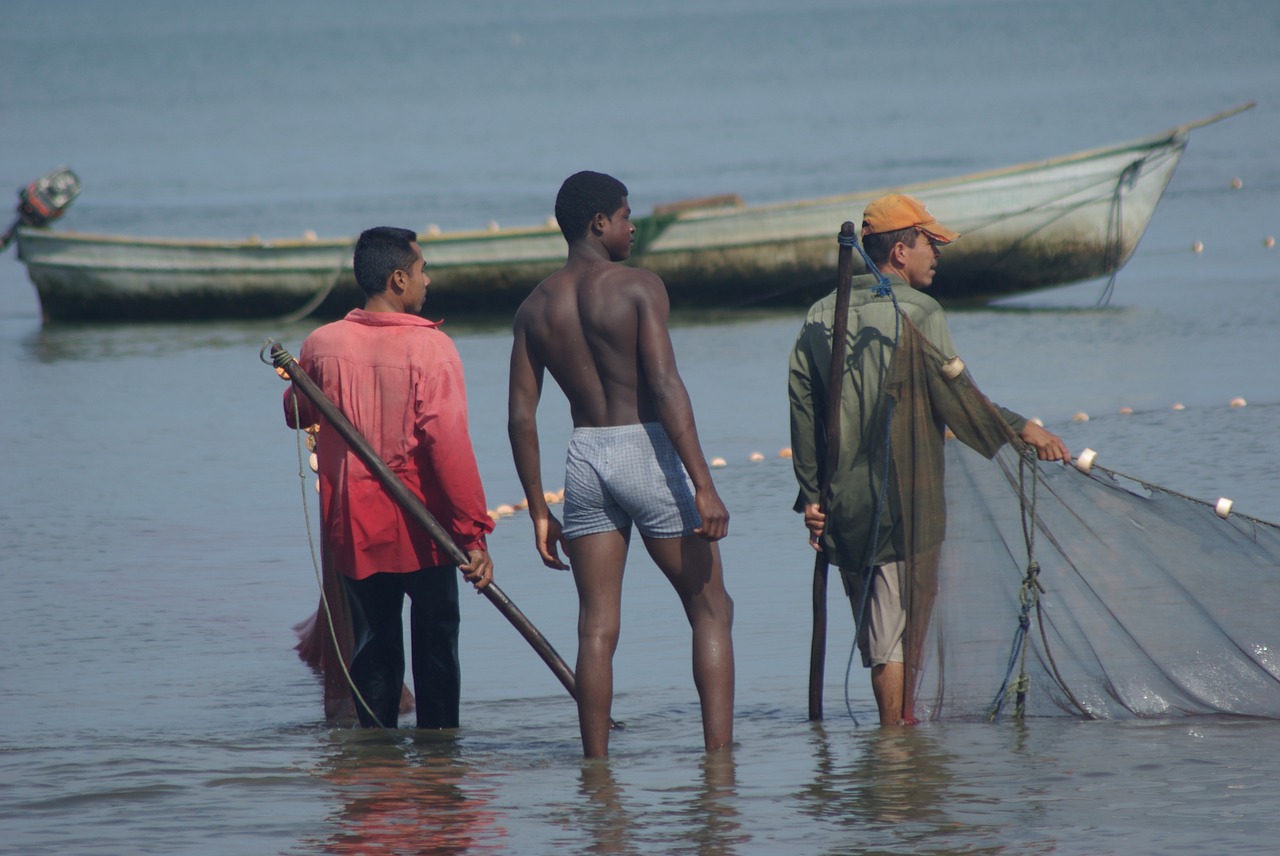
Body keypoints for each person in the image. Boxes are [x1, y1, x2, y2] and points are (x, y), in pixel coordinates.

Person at [788, 194, 1069, 726]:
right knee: (897, 637)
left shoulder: (820, 315)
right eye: (929, 243)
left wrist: (810, 495)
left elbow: (803, 408)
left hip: (844, 507)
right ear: (899, 252)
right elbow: (959, 401)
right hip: (907, 501)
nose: (937, 254)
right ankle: (897, 754)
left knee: (879, 634)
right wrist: (1024, 429)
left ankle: (898, 754)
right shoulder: (920, 313)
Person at [508, 171, 735, 758]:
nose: (634, 227)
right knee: (711, 607)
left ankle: (597, 777)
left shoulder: (534, 307)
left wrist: (538, 509)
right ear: (598, 224)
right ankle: (719, 769)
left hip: (584, 456)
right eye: (626, 216)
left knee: (596, 627)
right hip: (645, 449)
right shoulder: (638, 287)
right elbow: (664, 384)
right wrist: (703, 486)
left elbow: (522, 418)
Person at [283, 226, 495, 729]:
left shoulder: (322, 343)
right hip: (427, 530)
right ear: (399, 279)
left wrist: (299, 377)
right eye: (423, 271)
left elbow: (296, 412)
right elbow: (448, 447)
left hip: (356, 528)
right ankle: (441, 775)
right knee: (437, 649)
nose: (428, 281)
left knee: (374, 649)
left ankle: (377, 781)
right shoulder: (433, 349)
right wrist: (474, 533)